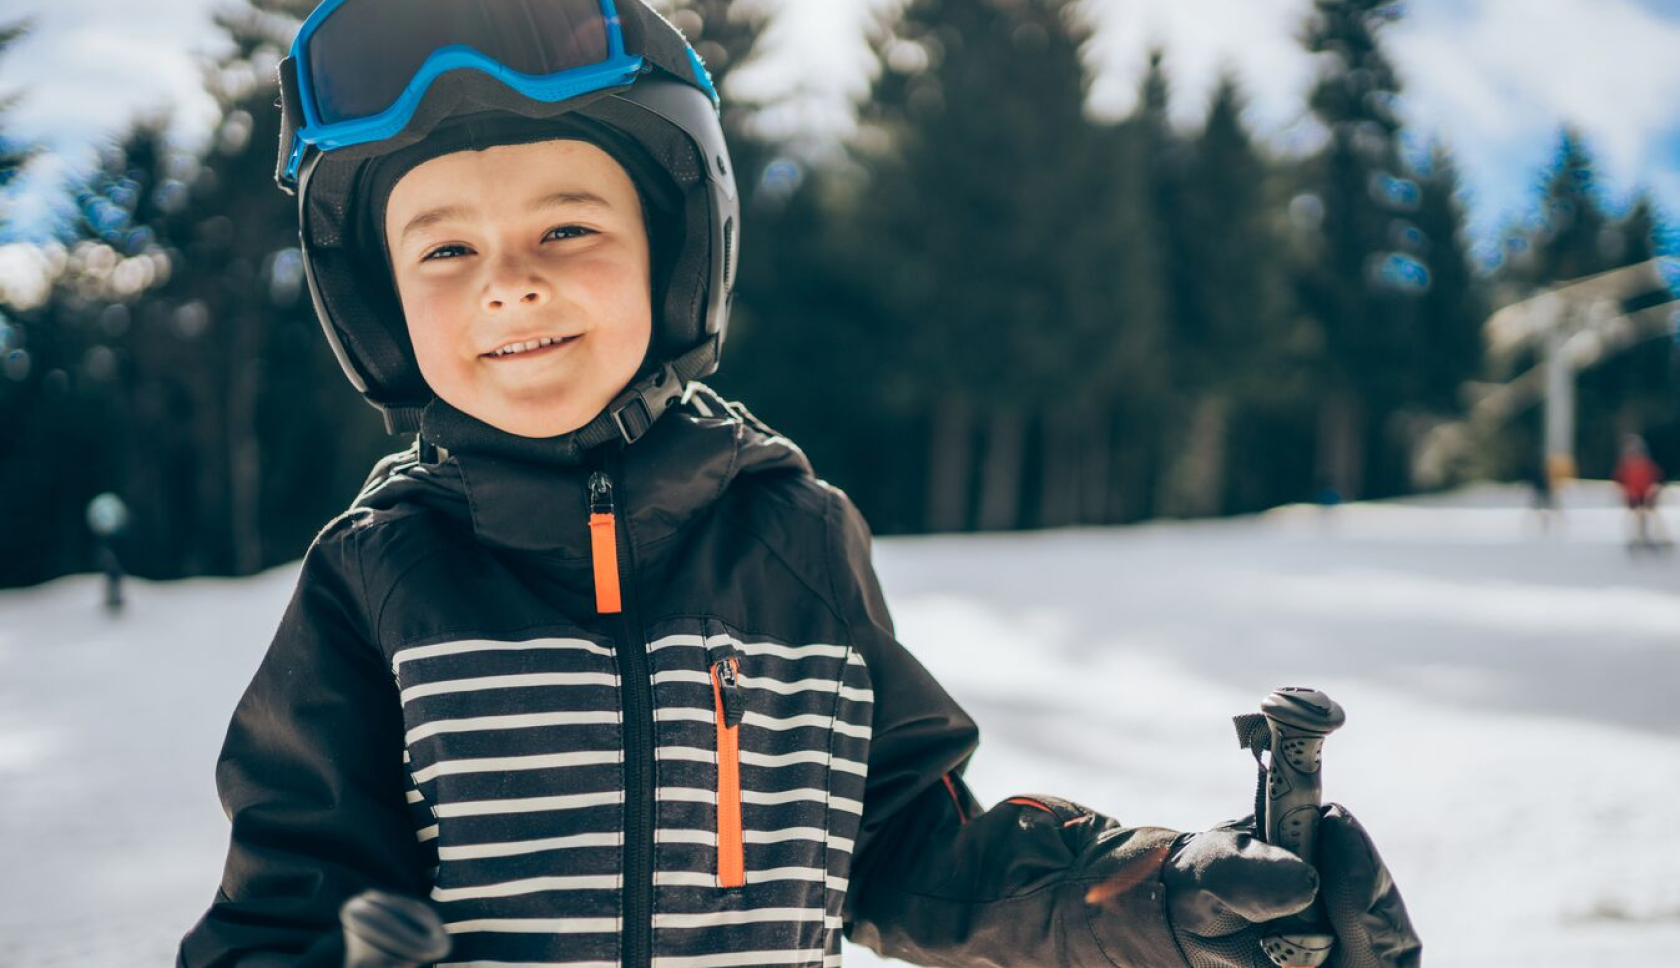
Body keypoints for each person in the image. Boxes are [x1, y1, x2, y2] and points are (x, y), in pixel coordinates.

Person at [177, 3, 1419, 967]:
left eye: (567, 228)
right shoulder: (378, 577)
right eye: (444, 248)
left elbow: (908, 843)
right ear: (377, 304)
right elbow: (291, 899)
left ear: (677, 254)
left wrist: (1157, 893)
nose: (508, 283)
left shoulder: (792, 540)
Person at [1613, 434, 1668, 550]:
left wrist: (1653, 491)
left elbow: (1655, 478)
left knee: (1651, 514)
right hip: (1634, 495)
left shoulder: (1645, 464)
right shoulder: (1626, 466)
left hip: (1645, 494)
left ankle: (1657, 537)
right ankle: (1639, 537)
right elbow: (1621, 481)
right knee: (1638, 515)